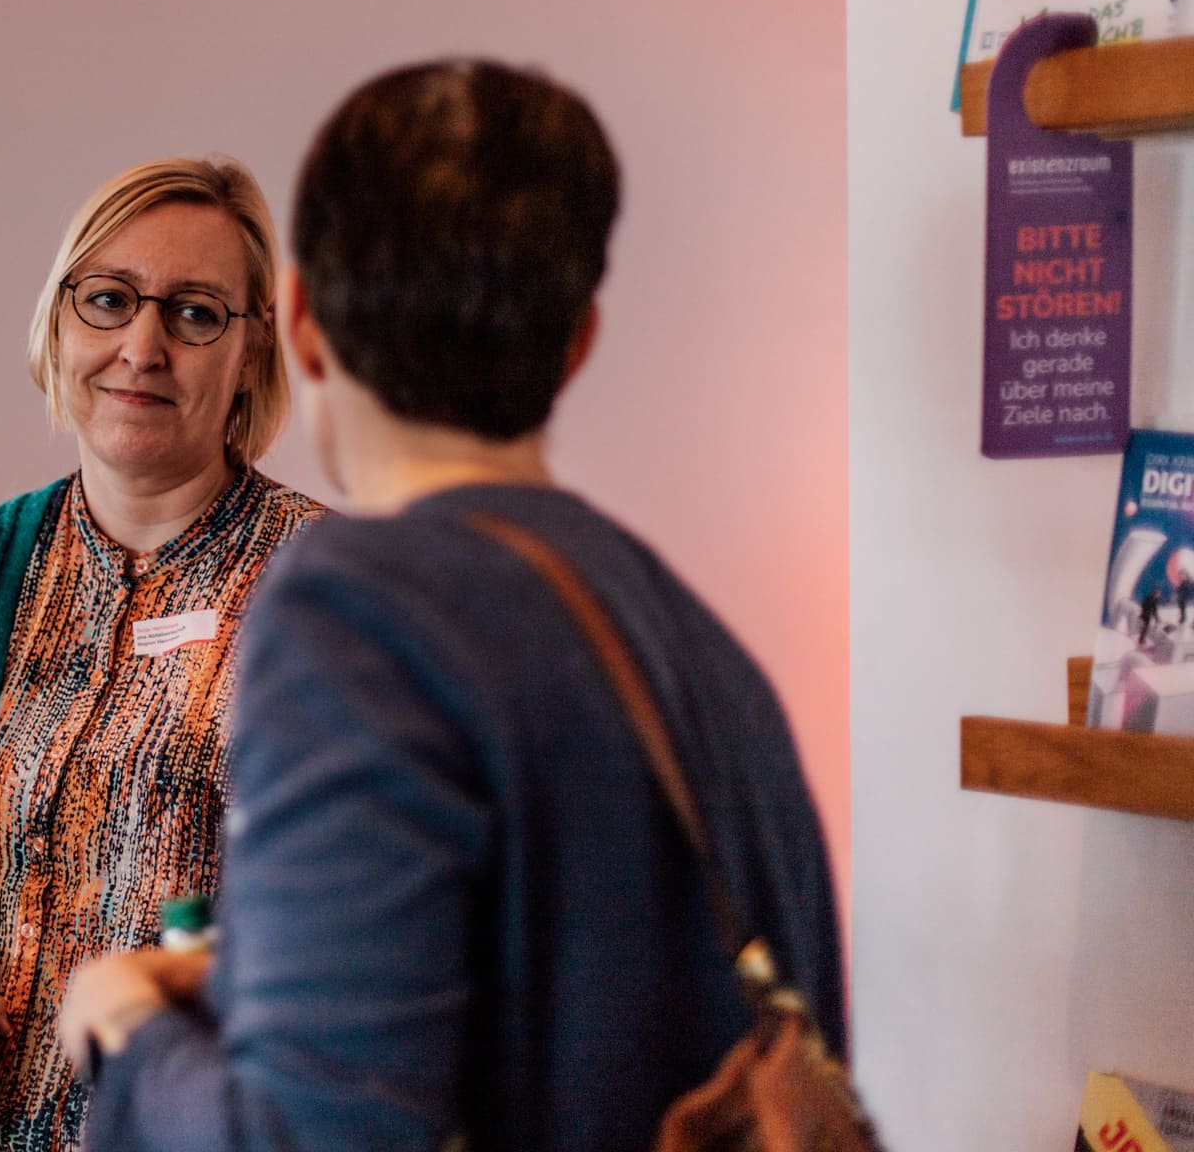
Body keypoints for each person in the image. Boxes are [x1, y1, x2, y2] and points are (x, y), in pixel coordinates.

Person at [59, 60, 844, 1151]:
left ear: (300, 322)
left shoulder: (354, 614)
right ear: (578, 342)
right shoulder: (703, 649)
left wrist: (122, 1023)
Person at [0, 156, 324, 1151]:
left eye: (195, 314)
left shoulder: (331, 593)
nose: (142, 347)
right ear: (58, 323)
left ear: (253, 351)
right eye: (109, 299)